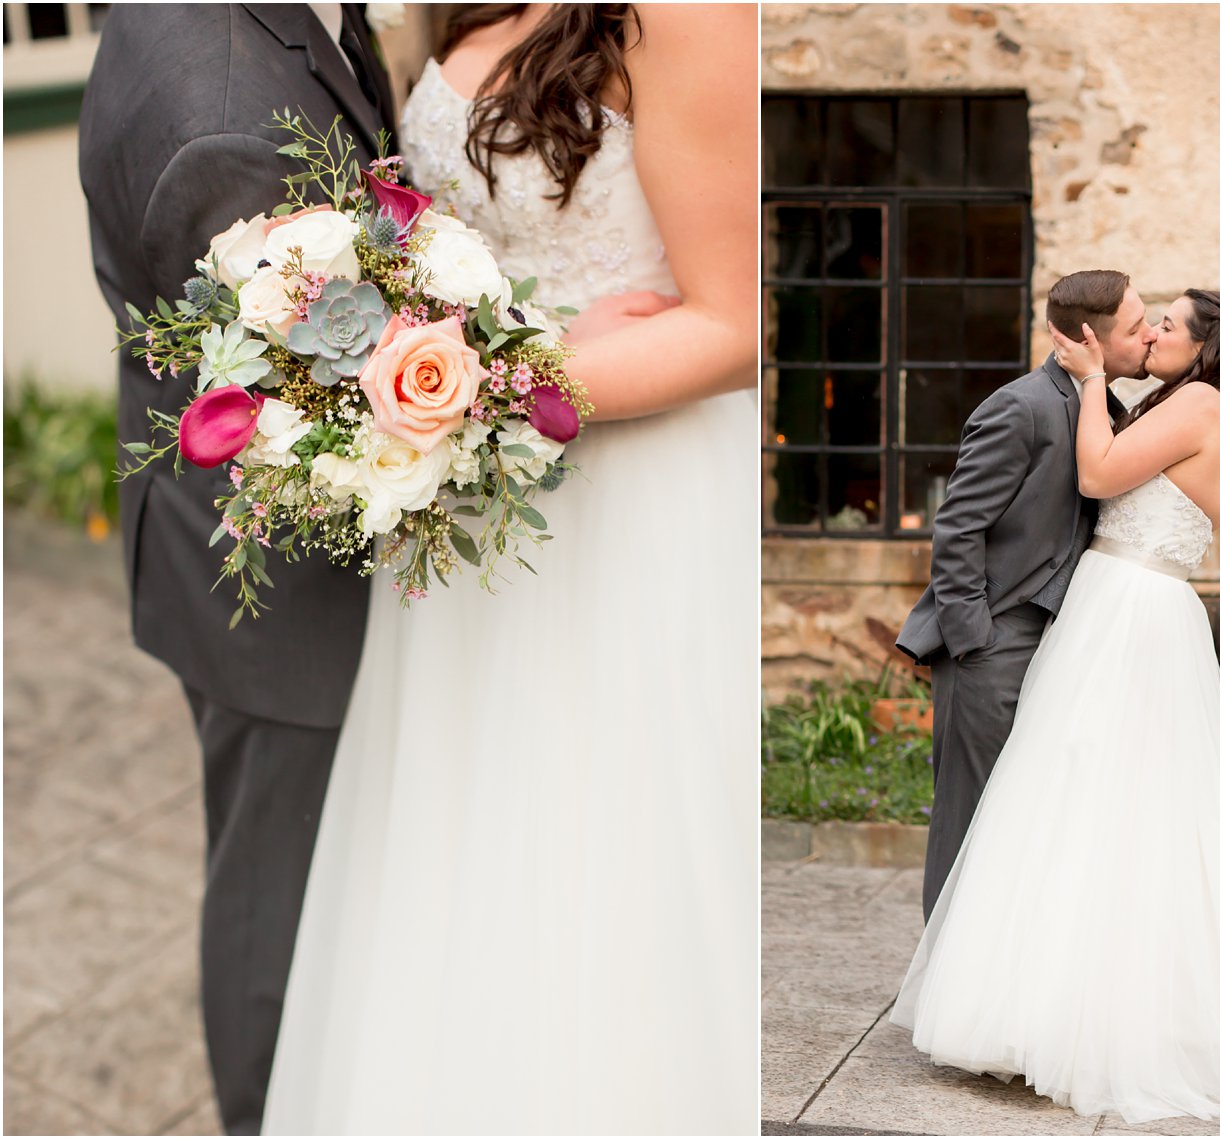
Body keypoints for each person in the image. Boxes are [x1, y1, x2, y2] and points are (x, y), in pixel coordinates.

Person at [261, 5, 758, 1133]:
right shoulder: (470, 2)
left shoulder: (686, 17)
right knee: (453, 844)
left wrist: (491, 384)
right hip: (463, 511)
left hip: (627, 502)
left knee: (600, 852)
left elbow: (737, 323)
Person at [889, 290, 1220, 1123]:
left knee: (1101, 797)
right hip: (1113, 606)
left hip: (1131, 612)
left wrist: (1098, 373)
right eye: (1150, 319)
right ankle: (1050, 992)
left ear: (1208, 348)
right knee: (1075, 800)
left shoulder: (1203, 404)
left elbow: (1101, 473)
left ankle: (1092, 1008)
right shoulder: (1182, 402)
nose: (1155, 332)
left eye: (1169, 324)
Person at [78, 6, 395, 1132]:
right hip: (279, 588)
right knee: (275, 900)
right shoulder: (226, 118)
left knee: (273, 863)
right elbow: (313, 395)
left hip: (203, 535)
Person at [897, 270, 1157, 921]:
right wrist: (973, 641)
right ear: (1092, 339)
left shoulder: (1108, 408)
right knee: (970, 820)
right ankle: (942, 994)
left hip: (1057, 643)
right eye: (1136, 326)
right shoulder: (1021, 406)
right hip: (995, 641)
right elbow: (958, 527)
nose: (1149, 335)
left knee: (1027, 820)